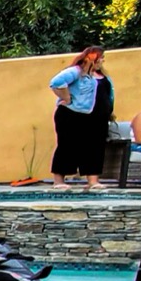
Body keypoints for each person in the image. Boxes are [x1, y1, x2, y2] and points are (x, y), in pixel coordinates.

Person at [48, 47, 108, 190]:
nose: (103, 60)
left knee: (93, 147)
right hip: (70, 114)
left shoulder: (93, 75)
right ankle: (58, 182)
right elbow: (56, 82)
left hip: (89, 115)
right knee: (67, 145)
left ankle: (93, 182)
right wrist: (67, 98)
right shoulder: (75, 71)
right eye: (101, 57)